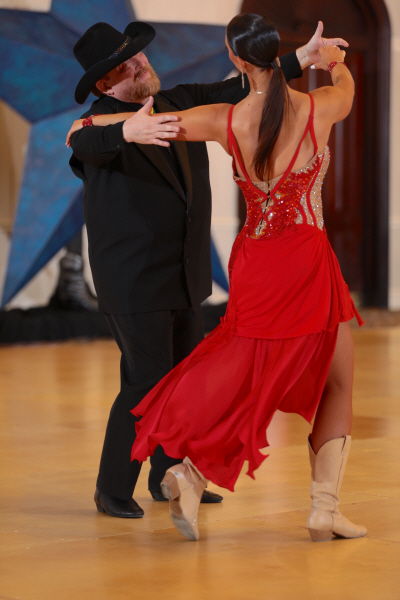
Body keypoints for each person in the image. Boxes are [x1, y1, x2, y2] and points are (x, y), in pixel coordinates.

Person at [68, 19, 349, 520]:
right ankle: (112, 487)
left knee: (184, 374)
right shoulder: (100, 124)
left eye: (140, 55)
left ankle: (170, 476)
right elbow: (79, 141)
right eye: (127, 64)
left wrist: (303, 57)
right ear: (106, 84)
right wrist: (127, 130)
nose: (141, 63)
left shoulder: (178, 104)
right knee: (145, 380)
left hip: (183, 272)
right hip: (133, 281)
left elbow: (250, 83)